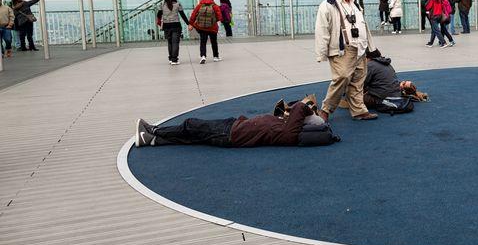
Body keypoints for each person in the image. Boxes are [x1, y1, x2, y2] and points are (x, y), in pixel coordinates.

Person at [134, 100, 336, 148]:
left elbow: (300, 106)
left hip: (231, 134)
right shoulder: (289, 129)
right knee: (194, 136)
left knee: (191, 125)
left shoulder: (289, 134)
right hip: (235, 127)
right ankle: (152, 139)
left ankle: (155, 130)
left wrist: (312, 112)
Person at [314, 0, 379, 122]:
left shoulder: (354, 3)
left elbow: (363, 25)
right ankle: (325, 110)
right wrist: (321, 53)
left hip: (360, 48)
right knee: (342, 78)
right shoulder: (327, 5)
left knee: (358, 80)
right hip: (342, 49)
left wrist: (370, 47)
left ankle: (359, 111)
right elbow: (322, 29)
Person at [362, 51, 429, 107]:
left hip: (382, 97)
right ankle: (409, 94)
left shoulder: (370, 65)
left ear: (367, 57)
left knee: (355, 98)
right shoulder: (386, 63)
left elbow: (362, 84)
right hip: (395, 93)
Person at [155, 0, 190, 65]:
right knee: (175, 43)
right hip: (176, 25)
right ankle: (174, 59)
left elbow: (158, 15)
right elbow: (182, 15)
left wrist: (163, 17)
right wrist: (188, 24)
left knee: (170, 42)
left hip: (166, 26)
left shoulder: (162, 4)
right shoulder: (177, 4)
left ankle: (171, 58)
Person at [189, 0, 223, 64]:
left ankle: (203, 56)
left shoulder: (200, 5)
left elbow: (194, 14)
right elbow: (220, 17)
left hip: (202, 27)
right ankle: (216, 57)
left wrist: (191, 23)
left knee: (203, 42)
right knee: (214, 42)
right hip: (212, 27)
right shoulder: (215, 6)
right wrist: (213, 21)